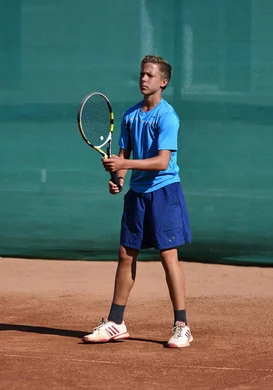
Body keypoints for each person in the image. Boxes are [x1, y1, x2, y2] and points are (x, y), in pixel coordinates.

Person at [82, 55, 193, 348]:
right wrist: (117, 179)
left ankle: (182, 326)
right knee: (125, 255)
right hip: (137, 195)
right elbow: (122, 156)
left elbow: (162, 161)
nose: (143, 79)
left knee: (168, 257)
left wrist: (125, 165)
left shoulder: (167, 117)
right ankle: (116, 322)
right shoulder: (130, 116)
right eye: (141, 75)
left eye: (149, 75)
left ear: (163, 82)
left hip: (165, 192)